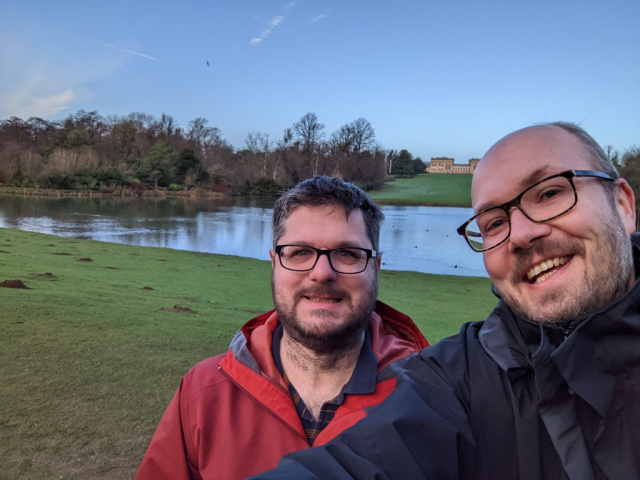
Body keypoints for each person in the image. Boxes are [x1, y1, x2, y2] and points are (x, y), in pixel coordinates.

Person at [252, 122, 640, 480]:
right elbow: (361, 462)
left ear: (623, 204)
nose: (520, 234)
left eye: (551, 193)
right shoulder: (458, 377)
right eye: (494, 223)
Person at [135, 176, 429, 479]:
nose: (322, 273)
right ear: (274, 263)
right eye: (300, 252)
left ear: (376, 267)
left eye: (347, 254)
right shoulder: (203, 392)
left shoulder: (428, 399)